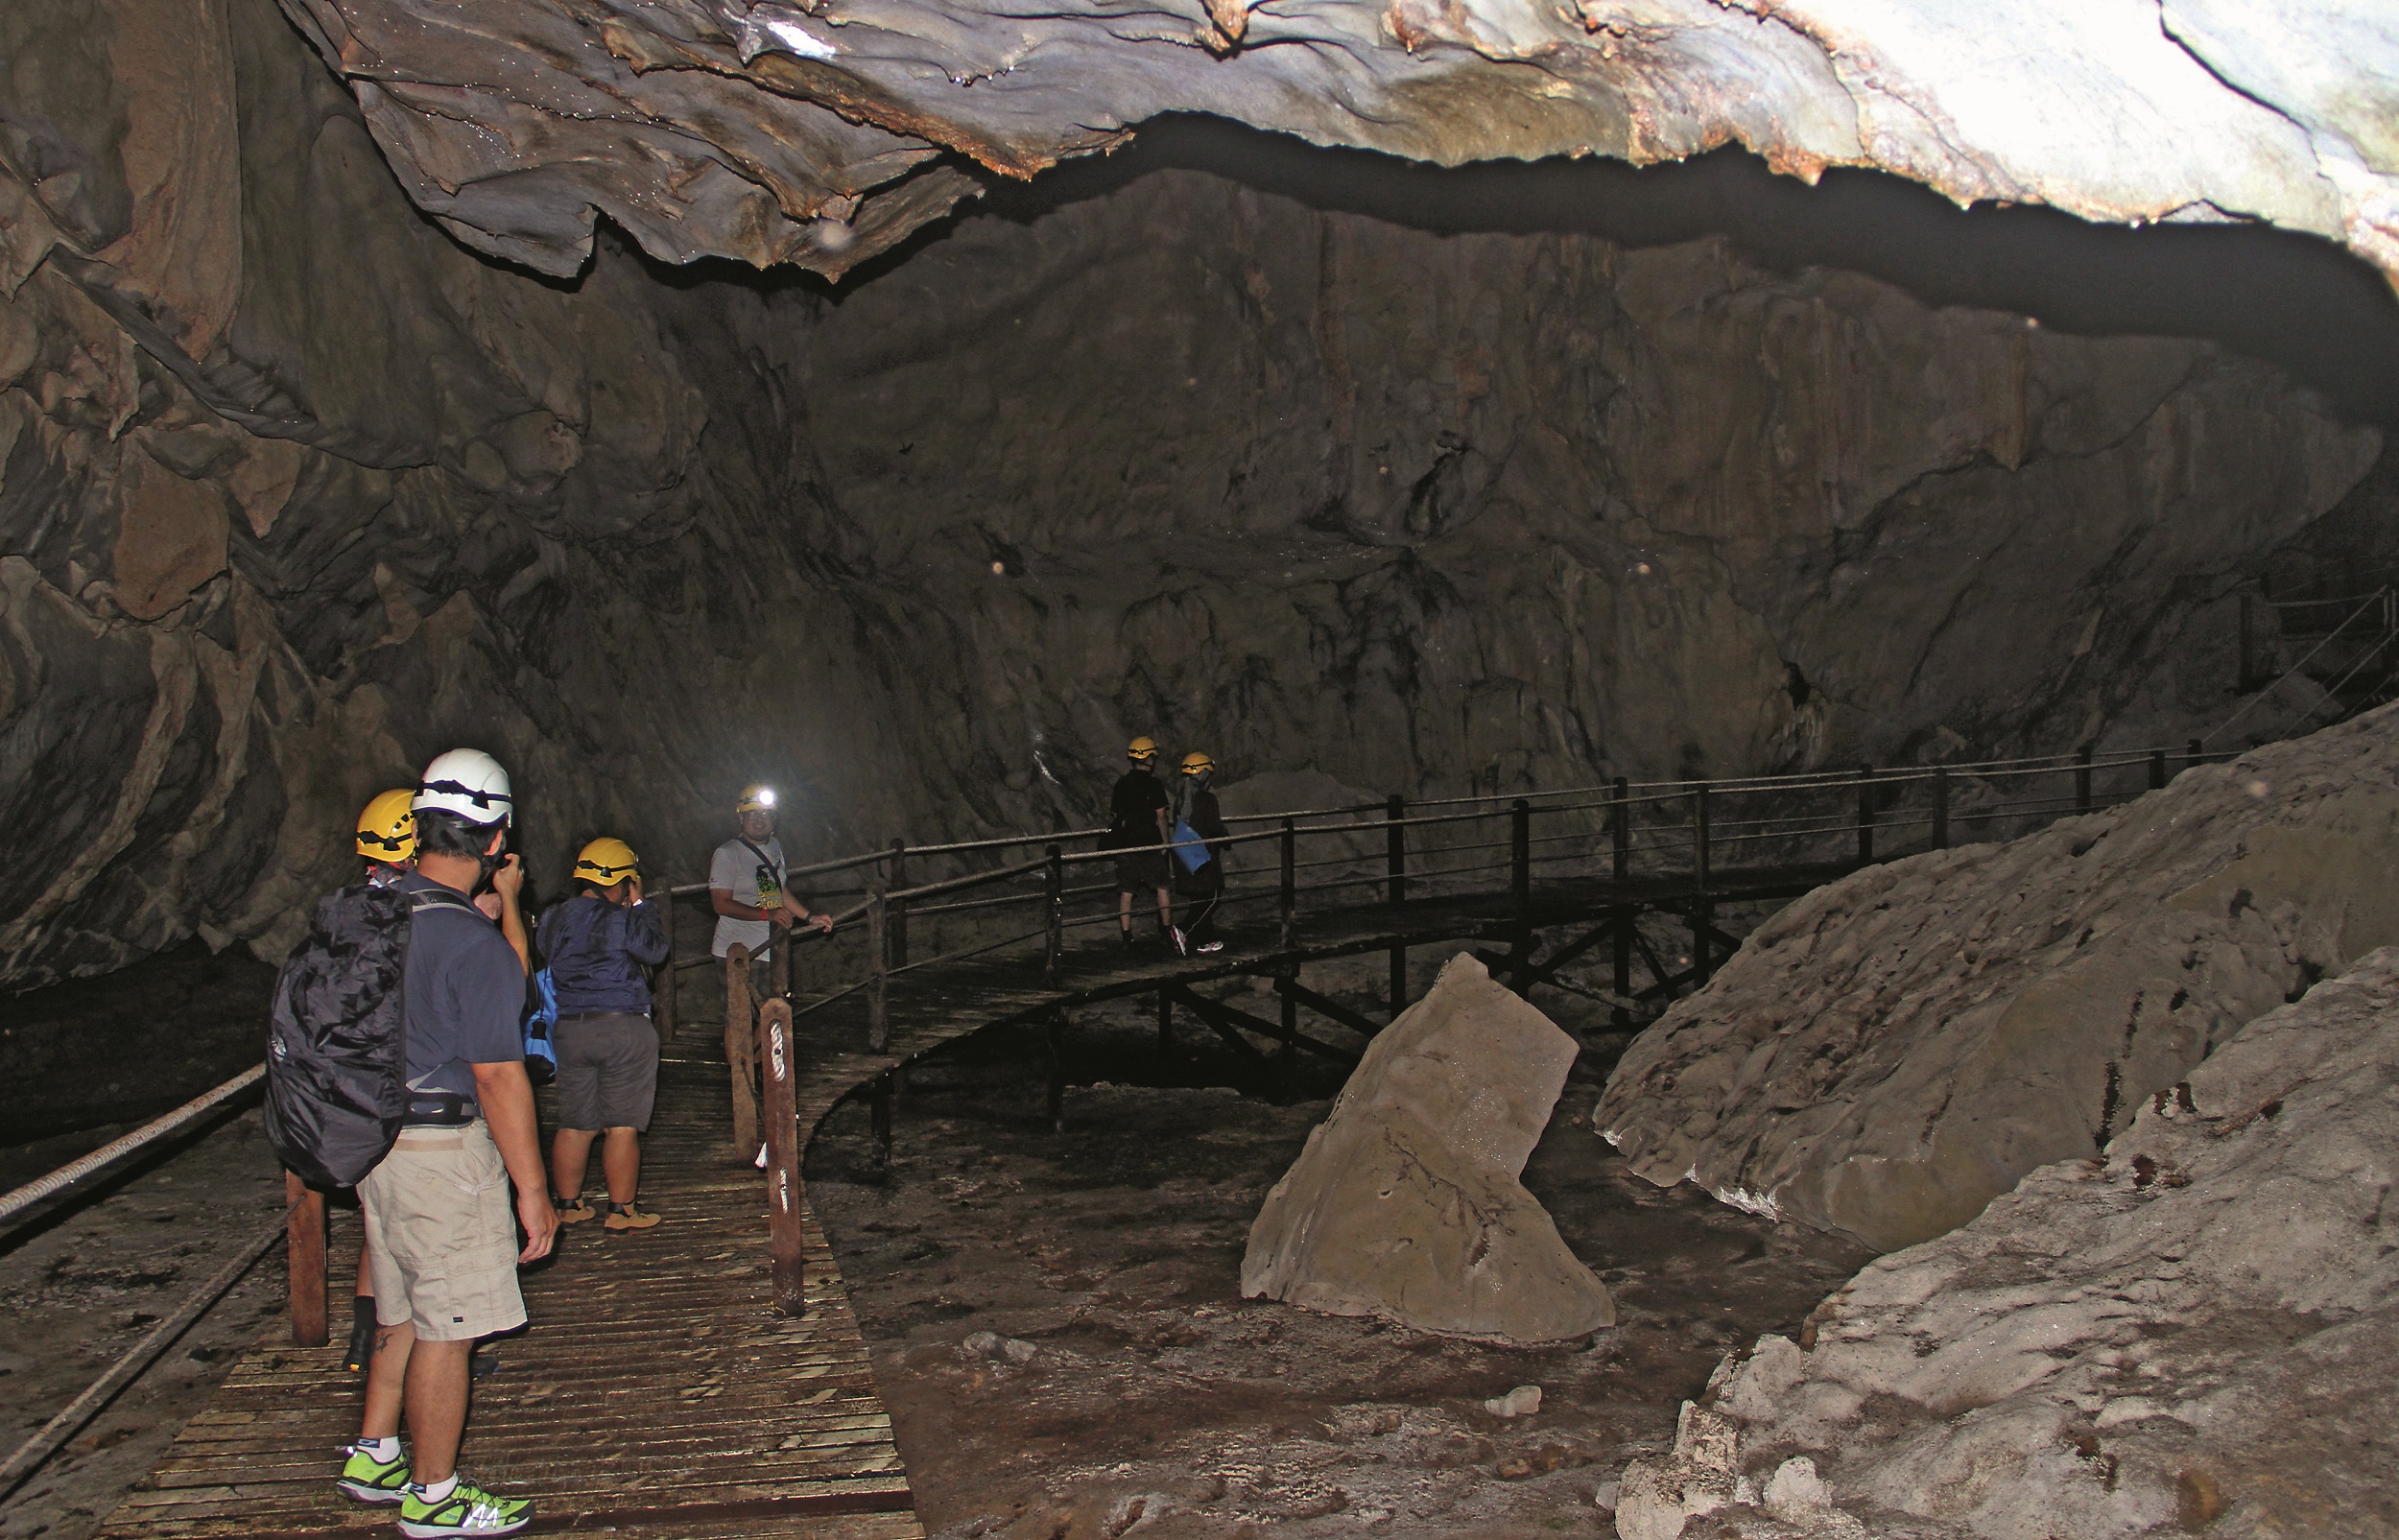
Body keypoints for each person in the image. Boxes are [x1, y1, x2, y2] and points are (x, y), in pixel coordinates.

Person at [335, 747, 554, 1540]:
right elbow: (500, 1077)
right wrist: (533, 1190)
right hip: (441, 1155)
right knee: (449, 1328)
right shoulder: (475, 944)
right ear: (497, 842)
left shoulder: (376, 910)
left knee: (399, 1308)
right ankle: (433, 1496)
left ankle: (376, 1449)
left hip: (377, 1146)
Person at [542, 838, 668, 1233]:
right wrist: (642, 906)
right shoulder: (622, 918)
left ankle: (568, 1204)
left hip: (570, 1027)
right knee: (622, 1124)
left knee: (576, 1122)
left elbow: (544, 951)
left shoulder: (555, 916)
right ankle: (621, 1210)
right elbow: (655, 951)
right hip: (622, 1027)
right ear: (622, 881)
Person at [344, 790, 418, 1375]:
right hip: (410, 1089)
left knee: (377, 1222)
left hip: (357, 1093)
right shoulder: (416, 913)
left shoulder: (347, 910)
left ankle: (363, 1340)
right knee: (416, 1231)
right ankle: (436, 1345)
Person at [709, 784, 832, 1007]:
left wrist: (810, 917)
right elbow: (721, 904)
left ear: (774, 818)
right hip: (740, 950)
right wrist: (767, 914)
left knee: (776, 1011)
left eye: (765, 813)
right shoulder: (727, 854)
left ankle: (763, 1044)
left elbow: (779, 889)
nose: (759, 819)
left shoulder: (775, 846)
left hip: (774, 947)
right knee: (738, 1019)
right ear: (740, 818)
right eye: (752, 813)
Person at [1103, 737, 1174, 947]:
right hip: (1150, 842)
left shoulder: (1121, 783)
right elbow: (1161, 815)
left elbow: (1116, 814)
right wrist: (1165, 843)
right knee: (1162, 887)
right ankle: (1166, 931)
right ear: (1149, 758)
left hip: (1126, 844)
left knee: (1126, 892)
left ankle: (1127, 936)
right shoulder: (1154, 784)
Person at [1169, 750, 1230, 955]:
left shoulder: (1180, 800)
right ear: (1205, 775)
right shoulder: (1207, 799)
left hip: (1184, 860)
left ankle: (1207, 939)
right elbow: (1213, 827)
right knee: (1212, 898)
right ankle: (1182, 929)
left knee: (1199, 900)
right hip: (1204, 859)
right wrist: (1224, 834)